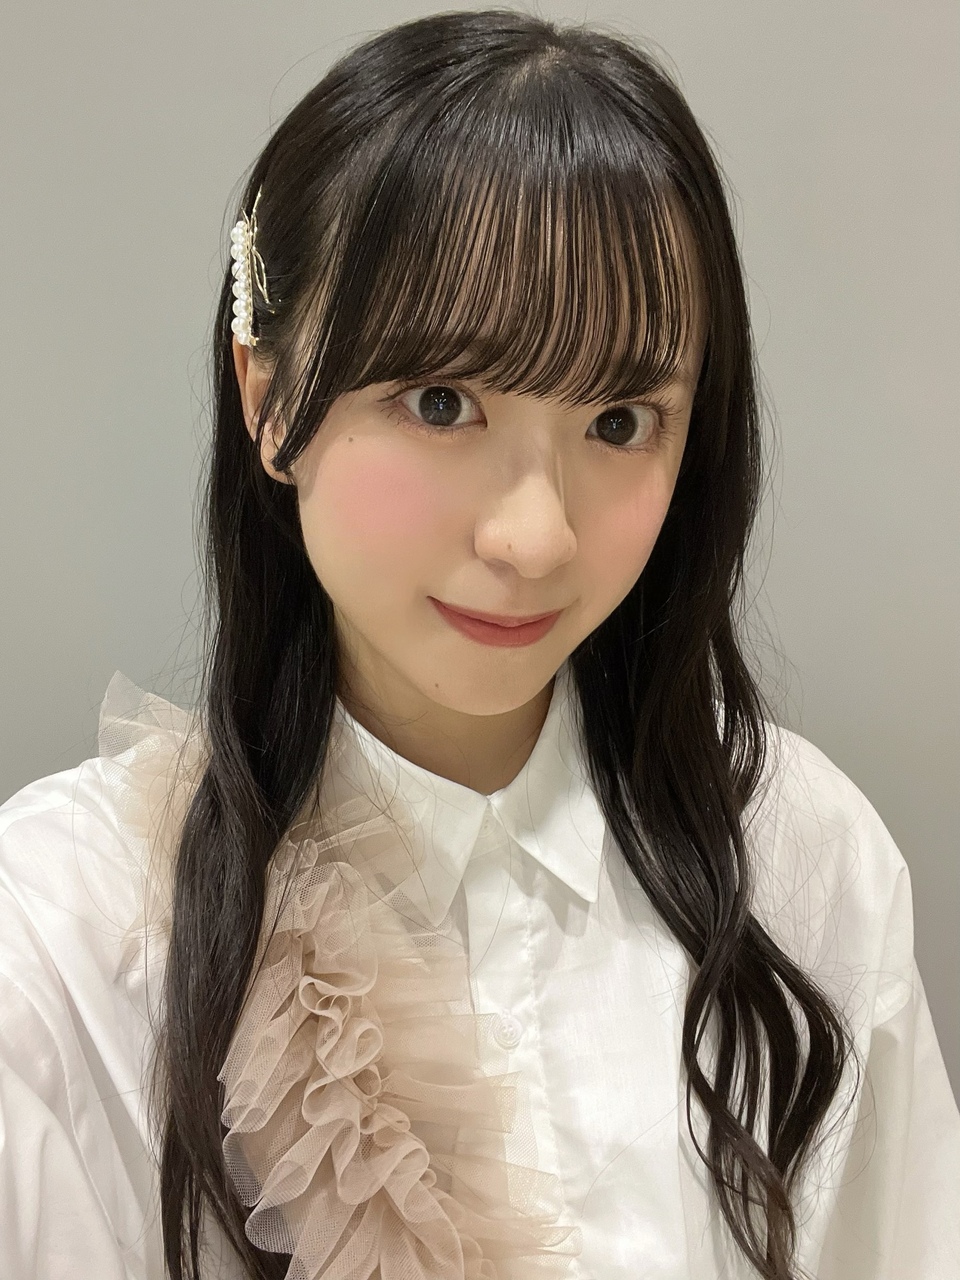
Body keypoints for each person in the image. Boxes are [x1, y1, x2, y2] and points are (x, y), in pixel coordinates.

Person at [0, 8, 957, 1279]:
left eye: (620, 419)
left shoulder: (804, 863)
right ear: (269, 399)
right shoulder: (69, 941)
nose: (535, 535)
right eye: (442, 400)